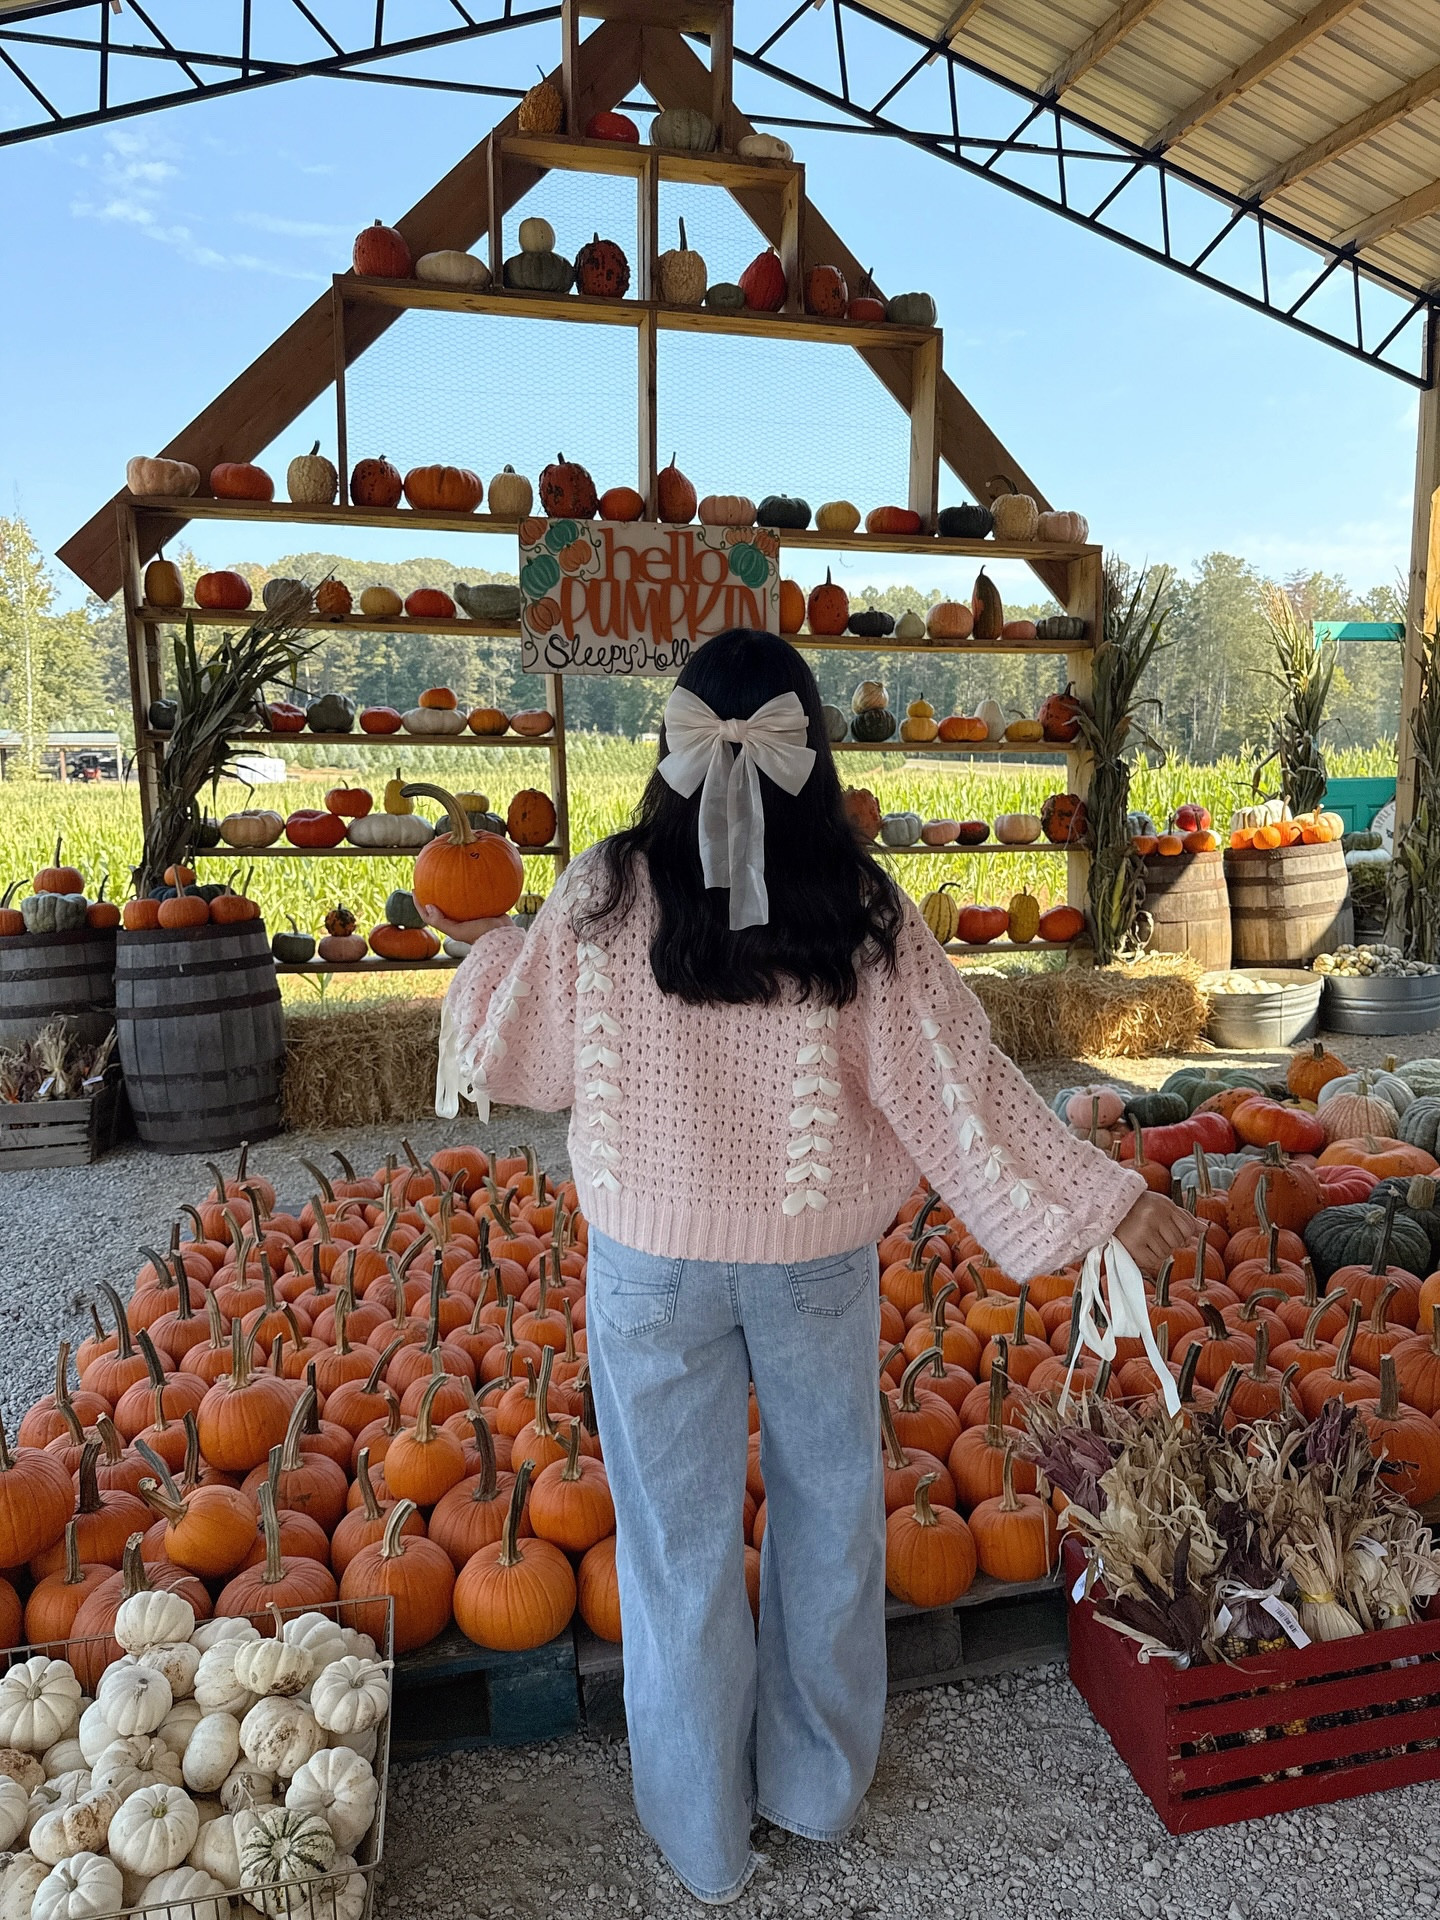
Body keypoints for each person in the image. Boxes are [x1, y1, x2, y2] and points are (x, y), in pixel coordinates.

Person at [426, 628, 1196, 1905]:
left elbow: (527, 1058)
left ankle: (703, 1839)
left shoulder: (604, 892)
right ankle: (816, 1790)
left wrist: (491, 951)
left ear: (671, 750)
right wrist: (1100, 1201)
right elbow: (962, 1091)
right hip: (813, 1264)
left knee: (672, 1554)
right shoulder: (863, 906)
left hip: (648, 1269)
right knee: (832, 1524)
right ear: (812, 747)